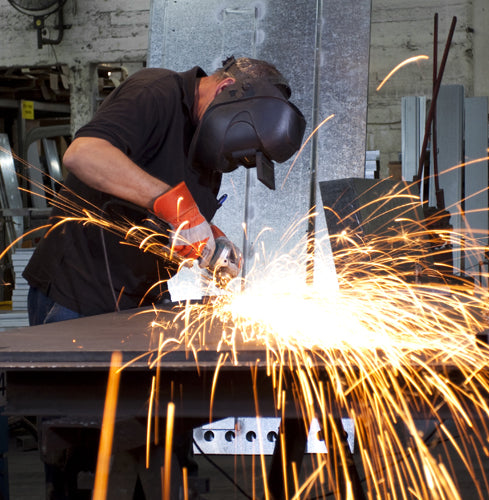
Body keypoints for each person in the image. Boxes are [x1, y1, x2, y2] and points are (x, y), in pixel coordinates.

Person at [22, 56, 306, 499]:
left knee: (150, 443)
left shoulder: (209, 155)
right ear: (228, 89)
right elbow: (84, 154)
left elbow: (177, 224)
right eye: (243, 151)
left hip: (134, 307)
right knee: (82, 456)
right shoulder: (155, 91)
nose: (237, 164)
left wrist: (213, 242)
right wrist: (170, 203)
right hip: (76, 300)